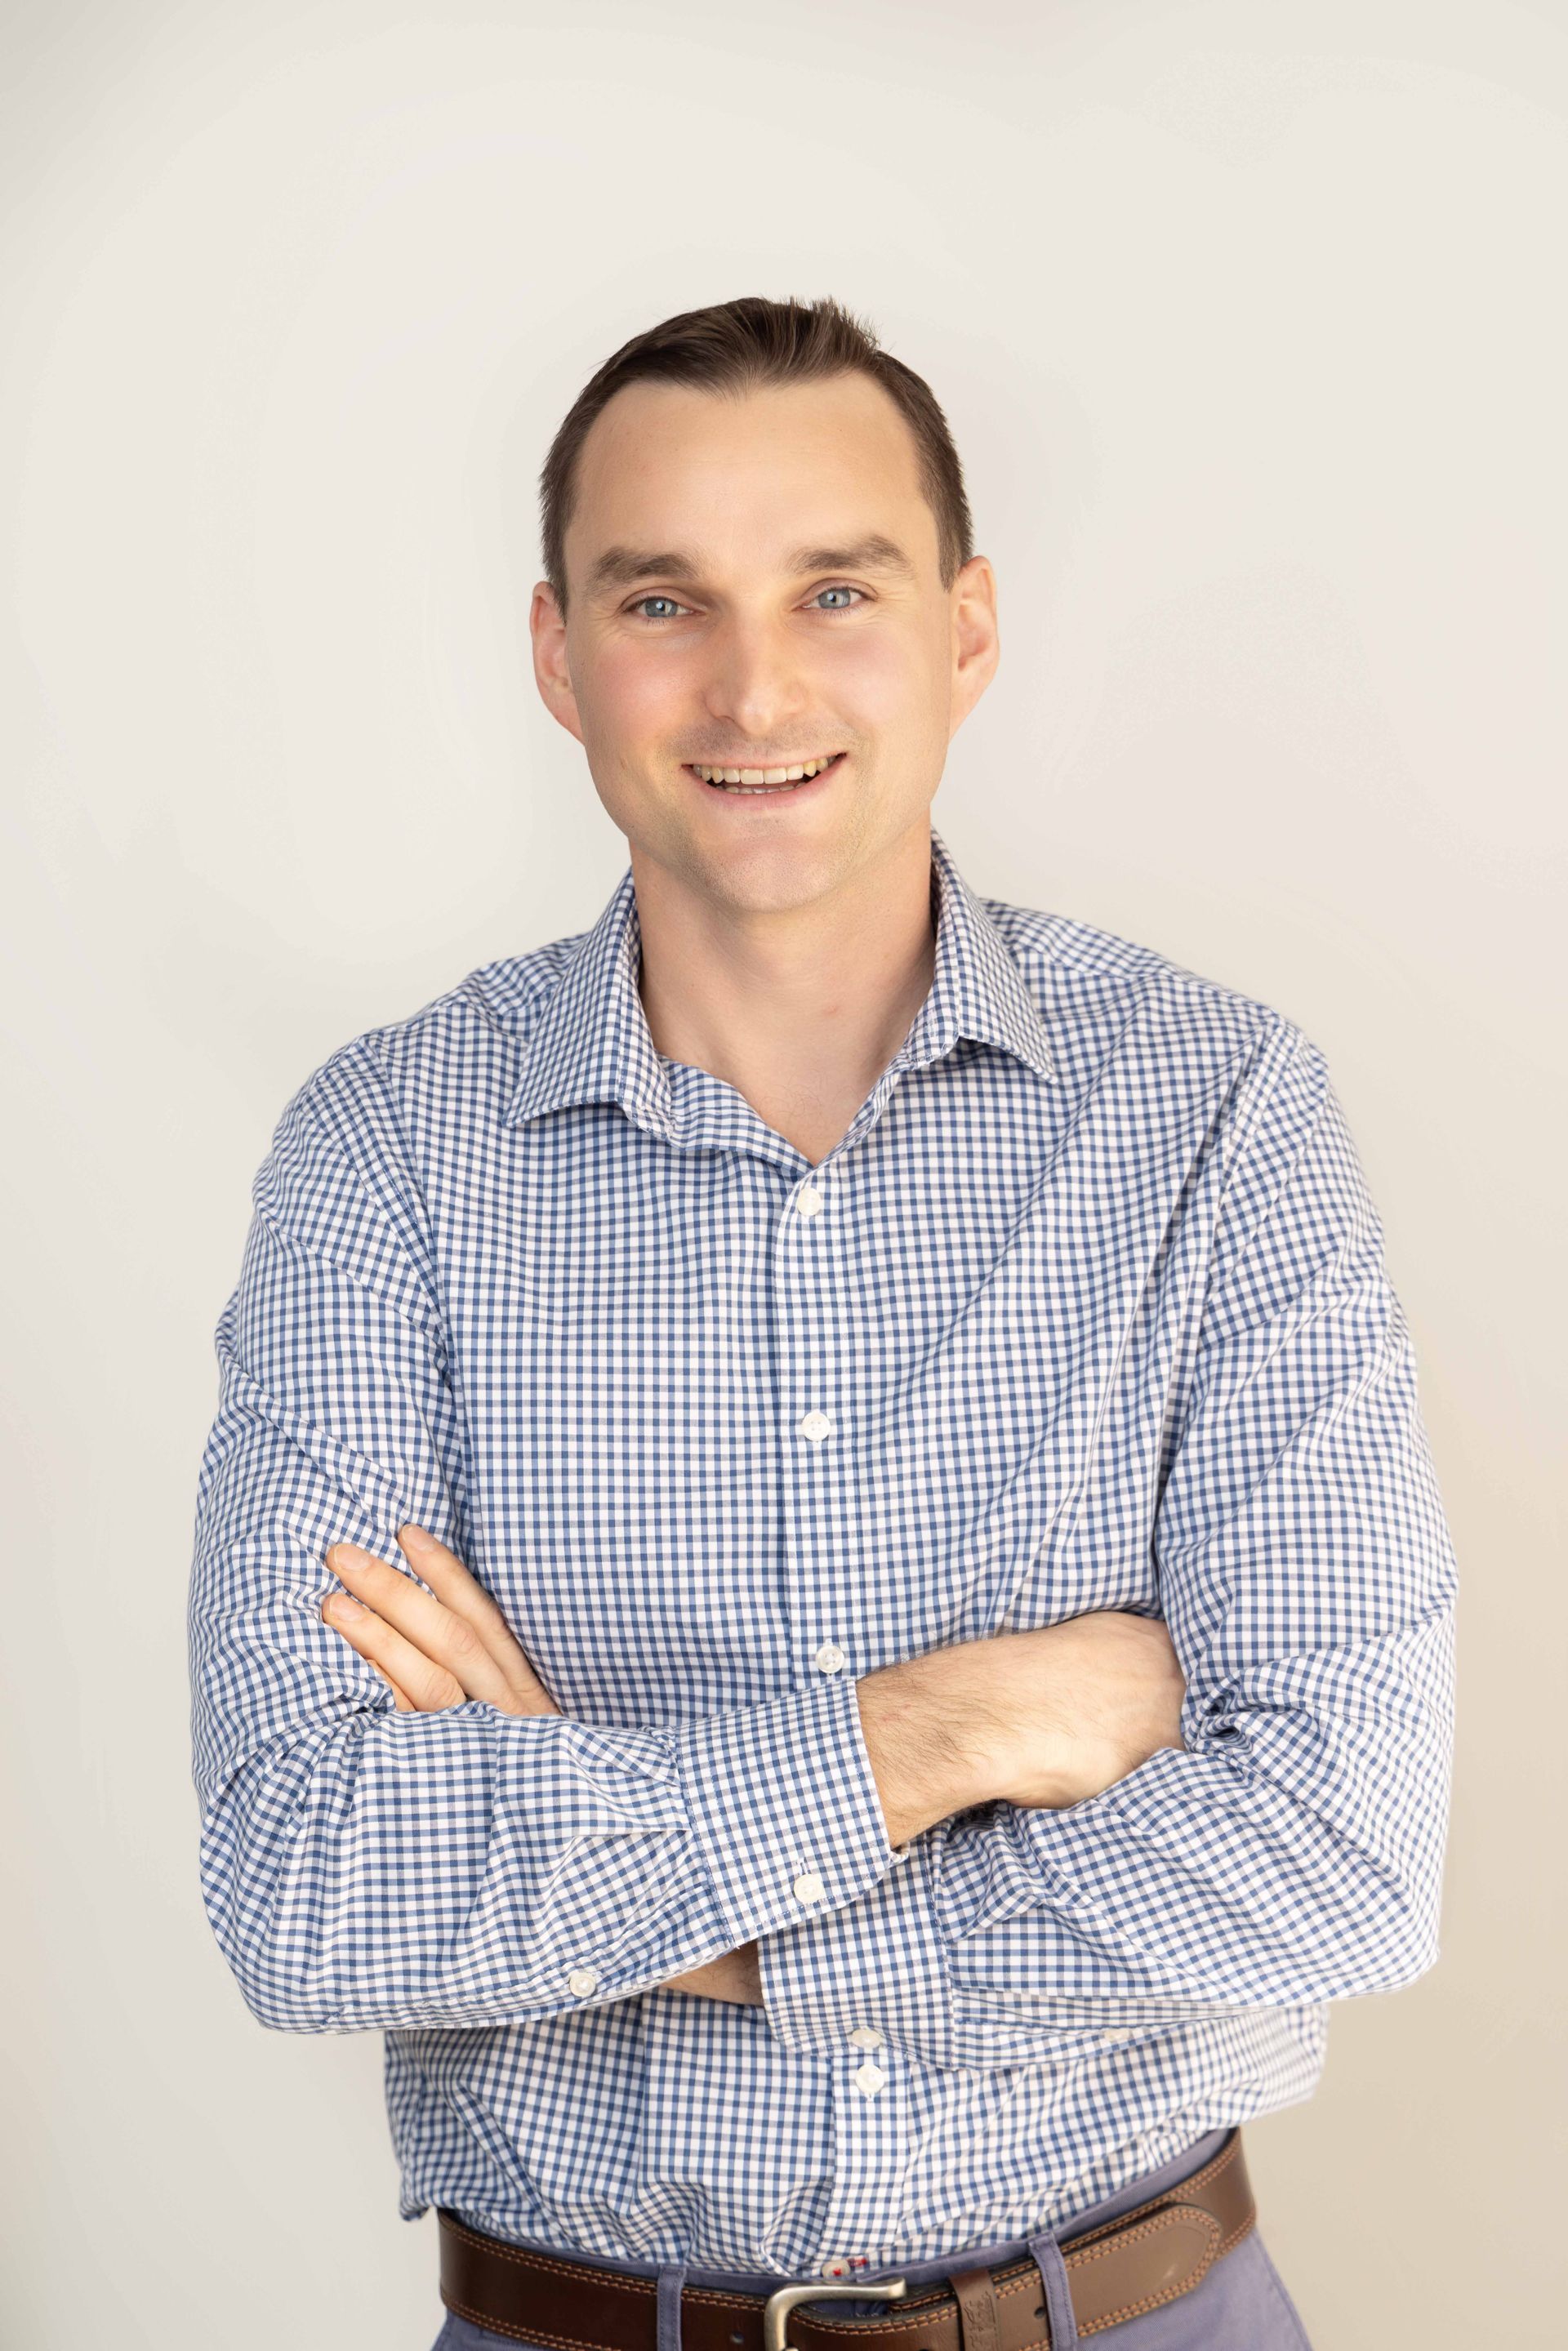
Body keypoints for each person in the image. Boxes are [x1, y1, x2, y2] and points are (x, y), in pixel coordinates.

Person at [188, 295, 1457, 2351]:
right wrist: (942, 1735)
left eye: (835, 589)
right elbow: (314, 1883)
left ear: (964, 630)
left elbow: (1337, 1855)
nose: (752, 683)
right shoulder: (385, 1158)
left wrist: (651, 1885)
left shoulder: (1221, 1118)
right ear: (556, 652)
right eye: (663, 597)